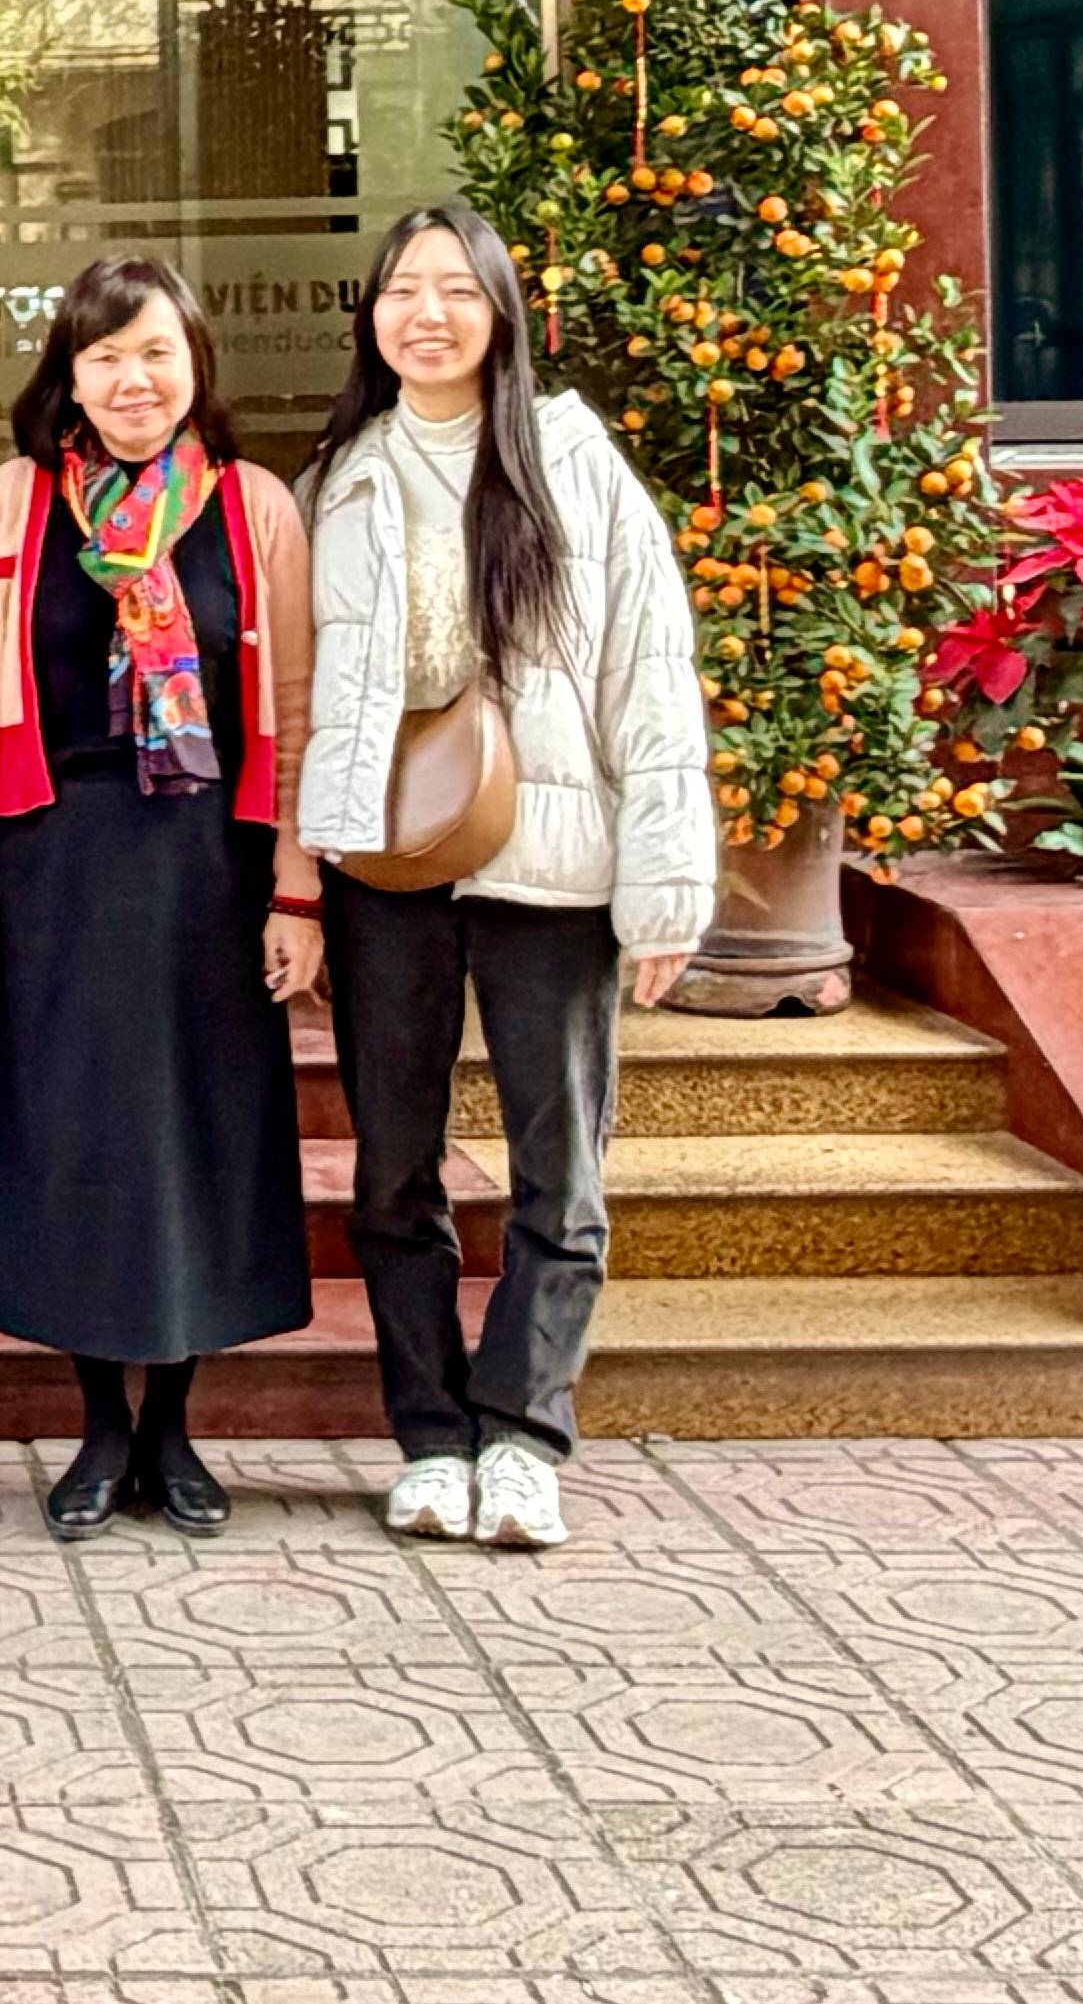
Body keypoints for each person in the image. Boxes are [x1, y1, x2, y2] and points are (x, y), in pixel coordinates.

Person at [291, 199, 711, 1554]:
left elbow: (651, 677)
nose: (428, 314)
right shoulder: (337, 479)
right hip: (389, 861)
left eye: (456, 290)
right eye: (402, 290)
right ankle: (428, 1434)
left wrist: (666, 881)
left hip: (553, 863)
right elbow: (298, 694)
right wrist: (295, 876)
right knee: (392, 1169)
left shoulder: (577, 464)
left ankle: (524, 1435)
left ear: (502, 313)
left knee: (558, 1166)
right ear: (371, 315)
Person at [0, 256, 321, 1540]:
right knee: (79, 1140)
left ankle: (175, 1428)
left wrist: (297, 886)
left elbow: (297, 706)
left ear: (196, 361)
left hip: (214, 864)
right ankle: (103, 1425)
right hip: (58, 861)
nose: (132, 379)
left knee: (202, 1136)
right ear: (70, 373)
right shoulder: (14, 501)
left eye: (155, 351)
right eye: (104, 356)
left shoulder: (254, 505)